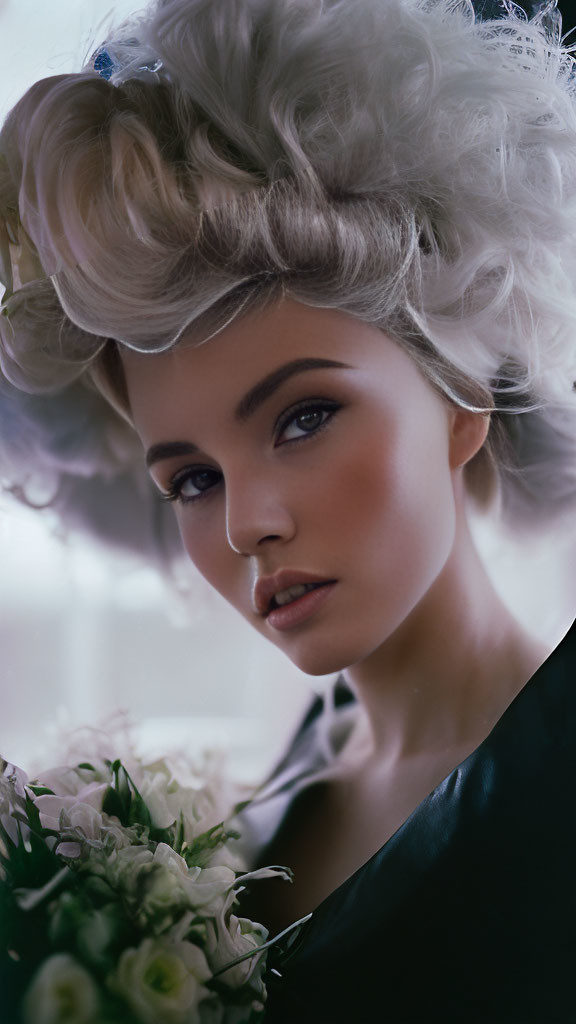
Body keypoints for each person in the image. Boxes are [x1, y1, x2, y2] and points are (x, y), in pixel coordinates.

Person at [0, 0, 575, 1019]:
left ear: (462, 398)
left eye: (305, 416)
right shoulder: (289, 783)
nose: (243, 525)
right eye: (191, 477)